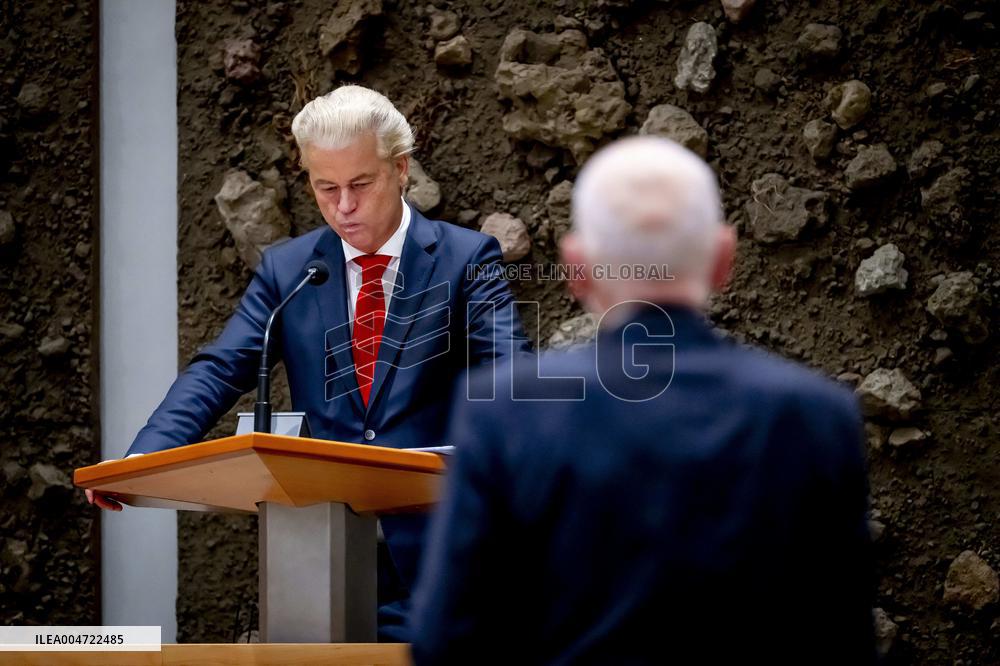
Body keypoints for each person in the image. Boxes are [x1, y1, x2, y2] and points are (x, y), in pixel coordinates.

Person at [86, 85, 531, 641]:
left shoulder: (467, 258)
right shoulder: (290, 269)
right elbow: (220, 368)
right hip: (324, 558)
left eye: (360, 185)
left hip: (446, 558)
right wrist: (143, 459)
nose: (343, 207)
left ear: (400, 169)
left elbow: (510, 378)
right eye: (326, 188)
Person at [410, 137, 876, 664]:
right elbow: (844, 640)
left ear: (577, 268)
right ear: (724, 258)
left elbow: (446, 641)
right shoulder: (818, 415)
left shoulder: (505, 411)